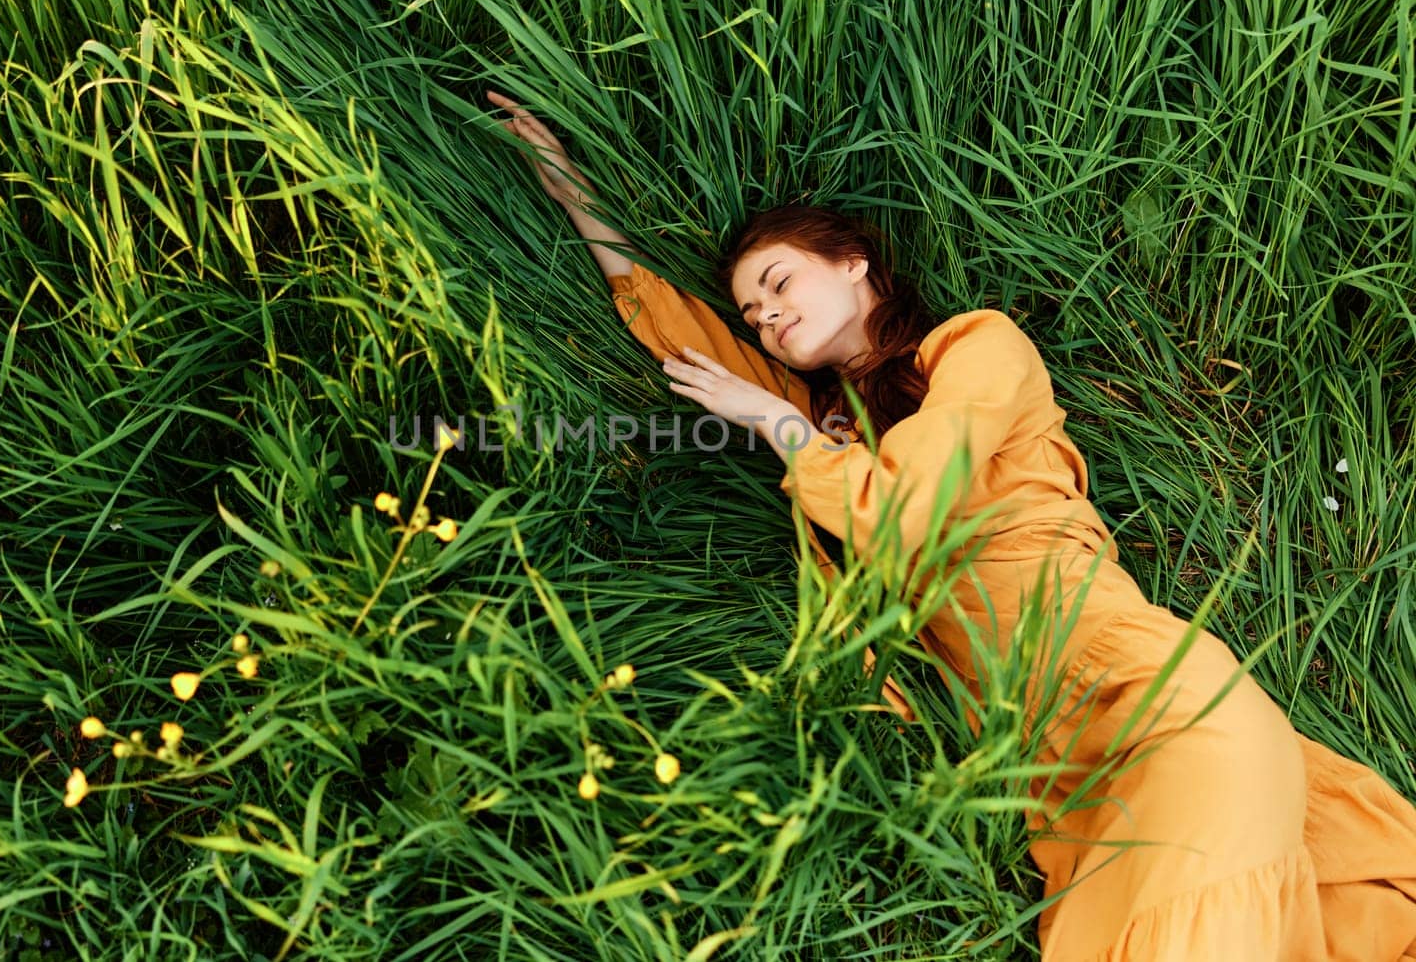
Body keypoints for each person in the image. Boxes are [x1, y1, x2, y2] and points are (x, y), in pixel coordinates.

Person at [488, 90, 1416, 960]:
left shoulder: (977, 350)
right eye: (756, 315)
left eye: (779, 282)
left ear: (853, 263)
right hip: (1058, 773)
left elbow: (901, 509)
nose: (767, 317)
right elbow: (684, 337)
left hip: (1152, 694)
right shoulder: (829, 432)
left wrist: (780, 428)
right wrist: (562, 177)